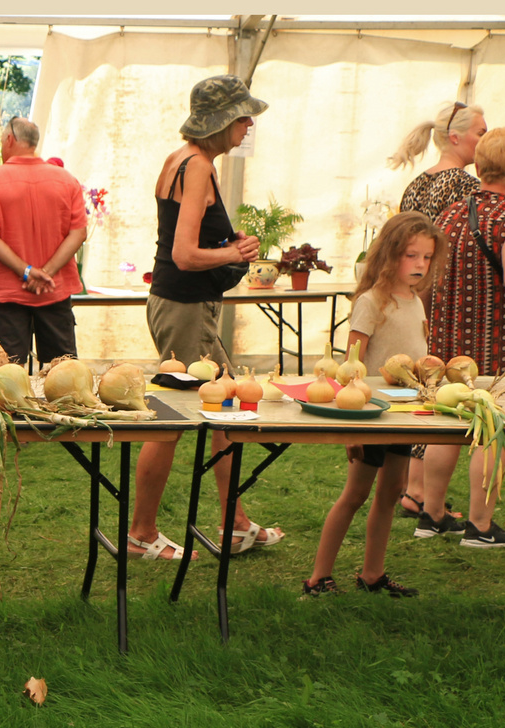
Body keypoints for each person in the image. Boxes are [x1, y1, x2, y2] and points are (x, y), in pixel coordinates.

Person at [128, 75, 284, 560]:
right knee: (171, 420)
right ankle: (141, 534)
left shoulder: (184, 161)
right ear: (220, 121)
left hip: (184, 307)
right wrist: (233, 252)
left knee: (225, 411)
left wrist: (230, 248)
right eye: (242, 116)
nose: (248, 124)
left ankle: (233, 523)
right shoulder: (195, 167)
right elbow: (183, 255)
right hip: (185, 309)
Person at [422, 127, 505, 550]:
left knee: (447, 425)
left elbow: (428, 279)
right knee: (490, 428)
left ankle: (432, 514)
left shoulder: (447, 215)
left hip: (446, 340)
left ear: (478, 165)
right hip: (493, 343)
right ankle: (480, 527)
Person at [302, 212, 448, 599]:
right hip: (371, 415)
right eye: (411, 255)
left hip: (403, 416)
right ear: (389, 255)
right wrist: (352, 425)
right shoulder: (371, 302)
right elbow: (352, 365)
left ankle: (372, 573)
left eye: (427, 257)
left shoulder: (415, 301)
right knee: (355, 495)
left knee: (391, 492)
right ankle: (318, 577)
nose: (419, 265)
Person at [390, 100, 487, 519]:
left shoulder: (417, 183)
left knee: (423, 390)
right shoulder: (464, 186)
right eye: (481, 133)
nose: (485, 140)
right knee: (444, 395)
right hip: (445, 301)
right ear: (456, 137)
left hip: (412, 296)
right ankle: (423, 496)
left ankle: (412, 489)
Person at [0, 117, 85, 367]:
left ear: (10, 140)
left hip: (11, 292)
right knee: (64, 372)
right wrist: (46, 273)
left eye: (2, 141)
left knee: (8, 374)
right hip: (54, 288)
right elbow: (78, 233)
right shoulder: (66, 180)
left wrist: (27, 272)